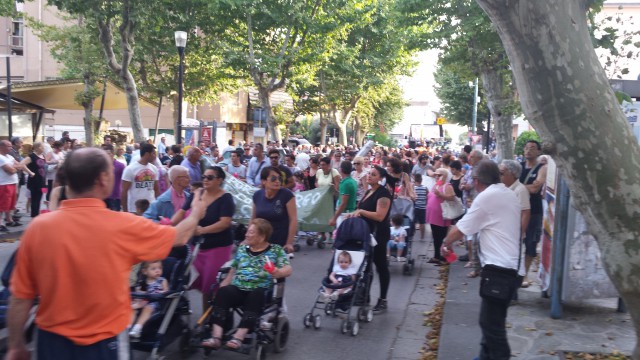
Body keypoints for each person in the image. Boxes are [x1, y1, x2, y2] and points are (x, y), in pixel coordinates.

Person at [7, 147, 206, 360]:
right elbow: (179, 237)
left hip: (51, 342)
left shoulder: (38, 228)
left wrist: (16, 345)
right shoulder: (123, 225)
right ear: (103, 179)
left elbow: (20, 298)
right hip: (105, 340)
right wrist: (196, 213)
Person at [440, 160, 521, 360]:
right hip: (511, 269)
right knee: (493, 323)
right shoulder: (508, 193)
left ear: (476, 181)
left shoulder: (487, 197)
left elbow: (460, 229)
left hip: (499, 270)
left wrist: (445, 243)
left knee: (491, 326)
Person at [201, 219, 292, 350]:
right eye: (247, 232)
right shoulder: (243, 248)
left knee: (256, 295)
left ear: (262, 237)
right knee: (223, 292)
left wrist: (277, 272)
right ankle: (216, 337)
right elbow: (234, 267)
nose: (246, 235)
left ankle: (239, 337)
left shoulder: (275, 250)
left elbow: (288, 270)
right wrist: (226, 281)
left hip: (260, 290)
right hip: (239, 288)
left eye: (251, 232)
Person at [172, 166, 235, 310]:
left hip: (218, 246)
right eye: (204, 177)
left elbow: (225, 222)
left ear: (219, 180)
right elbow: (181, 213)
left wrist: (202, 230)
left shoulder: (226, 198)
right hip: (198, 247)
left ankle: (210, 318)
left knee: (211, 283)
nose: (205, 180)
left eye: (210, 177)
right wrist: (168, 226)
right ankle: (208, 316)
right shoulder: (197, 194)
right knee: (203, 281)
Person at [345, 165, 392, 313]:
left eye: (373, 174)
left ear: (380, 178)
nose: (369, 176)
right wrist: (352, 213)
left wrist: (361, 211)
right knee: (366, 266)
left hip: (378, 234)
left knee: (380, 265)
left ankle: (383, 300)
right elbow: (362, 210)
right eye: (369, 173)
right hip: (365, 233)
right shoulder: (369, 191)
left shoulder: (383, 194)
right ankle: (363, 296)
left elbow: (379, 216)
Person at [519, 140, 547, 287]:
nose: (528, 150)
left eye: (532, 148)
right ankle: (517, 273)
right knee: (515, 243)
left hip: (534, 211)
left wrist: (518, 187)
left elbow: (536, 188)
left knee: (530, 243)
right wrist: (526, 187)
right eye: (527, 147)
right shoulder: (518, 167)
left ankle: (524, 275)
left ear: (538, 152)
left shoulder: (542, 168)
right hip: (517, 210)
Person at [252, 167, 297, 253]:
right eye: (273, 178)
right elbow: (253, 219)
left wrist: (289, 243)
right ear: (263, 181)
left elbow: (293, 219)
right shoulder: (257, 195)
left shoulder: (287, 195)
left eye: (279, 178)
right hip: (260, 241)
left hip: (280, 244)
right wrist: (248, 237)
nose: (277, 181)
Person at [129, 260, 169, 338]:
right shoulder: (142, 282)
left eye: (160, 268)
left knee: (147, 308)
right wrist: (140, 293)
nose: (157, 271)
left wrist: (161, 292)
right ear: (145, 271)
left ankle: (137, 328)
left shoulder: (162, 281)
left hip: (155, 302)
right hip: (142, 301)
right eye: (153, 269)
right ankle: (128, 326)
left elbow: (166, 292)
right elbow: (139, 292)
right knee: (131, 308)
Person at [426, 168, 455, 265]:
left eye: (439, 175)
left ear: (445, 176)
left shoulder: (447, 186)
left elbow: (452, 198)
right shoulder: (436, 185)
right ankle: (436, 256)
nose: (437, 177)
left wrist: (441, 195)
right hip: (434, 216)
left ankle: (445, 257)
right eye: (436, 175)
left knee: (442, 238)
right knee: (435, 237)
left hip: (442, 216)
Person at [121, 143, 160, 213]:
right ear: (147, 154)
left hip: (150, 208)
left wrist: (158, 206)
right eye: (153, 153)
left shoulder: (154, 169)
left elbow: (156, 189)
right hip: (134, 209)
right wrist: (125, 211)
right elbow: (124, 191)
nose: (155, 156)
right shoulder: (130, 169)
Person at [0, 140, 23, 230]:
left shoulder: (9, 156)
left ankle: (9, 220)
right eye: (8, 146)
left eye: (10, 146)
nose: (11, 148)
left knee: (10, 204)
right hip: (4, 183)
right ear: (1, 147)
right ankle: (1, 223)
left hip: (12, 182)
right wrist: (16, 167)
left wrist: (16, 167)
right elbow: (11, 171)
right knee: (2, 204)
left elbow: (20, 165)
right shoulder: (1, 158)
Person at [20, 141, 46, 218]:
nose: (43, 148)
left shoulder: (42, 156)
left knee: (39, 199)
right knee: (34, 199)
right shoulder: (32, 156)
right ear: (37, 147)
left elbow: (43, 168)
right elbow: (22, 164)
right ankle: (34, 217)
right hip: (34, 181)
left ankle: (37, 216)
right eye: (42, 146)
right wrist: (30, 172)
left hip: (41, 180)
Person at [329, 161, 357, 227]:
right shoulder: (352, 181)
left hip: (344, 214)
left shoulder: (346, 183)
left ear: (341, 169)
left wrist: (334, 218)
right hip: (348, 212)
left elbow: (343, 203)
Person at [101, 144, 125, 211]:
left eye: (108, 154)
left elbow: (124, 181)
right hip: (103, 196)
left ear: (112, 154)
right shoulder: (101, 166)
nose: (106, 156)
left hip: (115, 196)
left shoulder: (120, 166)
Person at [413, 173, 428, 240]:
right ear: (421, 180)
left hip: (415, 207)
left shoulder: (414, 188)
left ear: (415, 180)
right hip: (423, 208)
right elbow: (428, 196)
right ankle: (422, 237)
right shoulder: (425, 188)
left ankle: (411, 236)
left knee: (413, 222)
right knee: (422, 223)